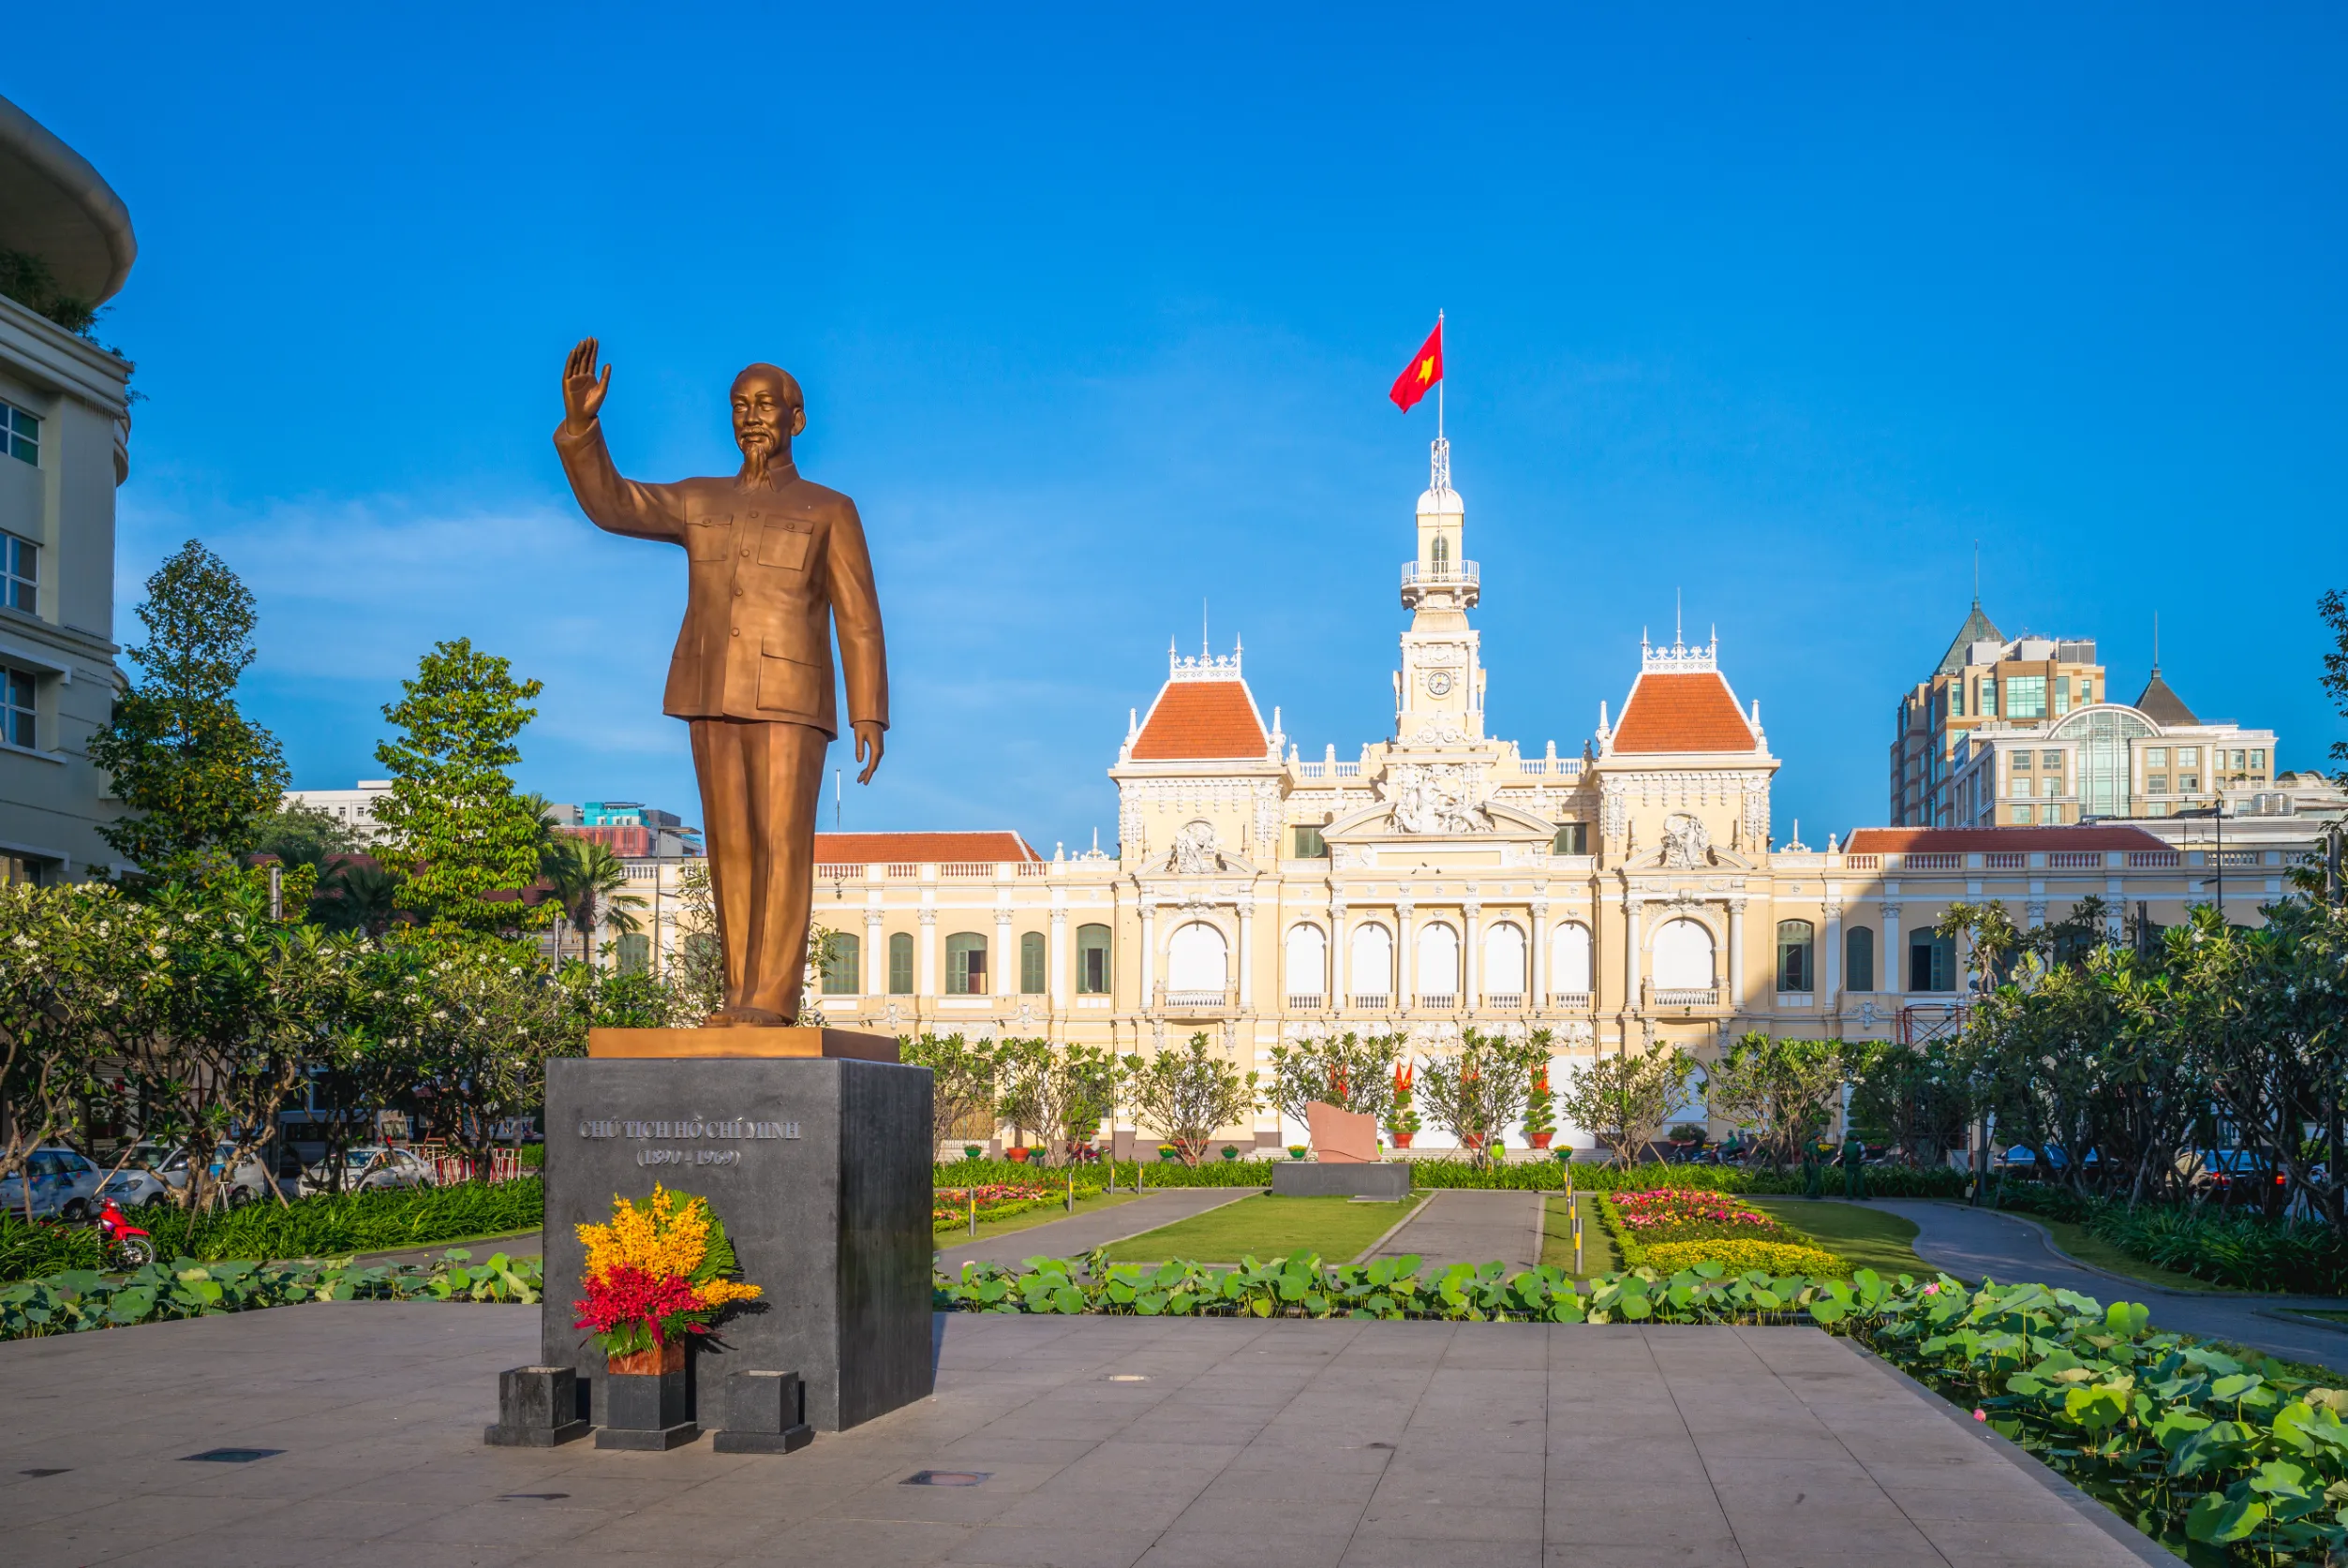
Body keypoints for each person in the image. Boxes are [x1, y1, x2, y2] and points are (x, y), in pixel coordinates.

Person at [1840, 1132, 1869, 1200]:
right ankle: (1862, 1196)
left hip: (1848, 1164)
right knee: (1859, 1180)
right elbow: (1860, 1155)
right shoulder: (1857, 1145)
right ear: (1855, 1138)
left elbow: (1842, 1154)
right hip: (1856, 1164)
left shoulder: (1845, 1145)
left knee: (1848, 1181)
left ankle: (1849, 1196)